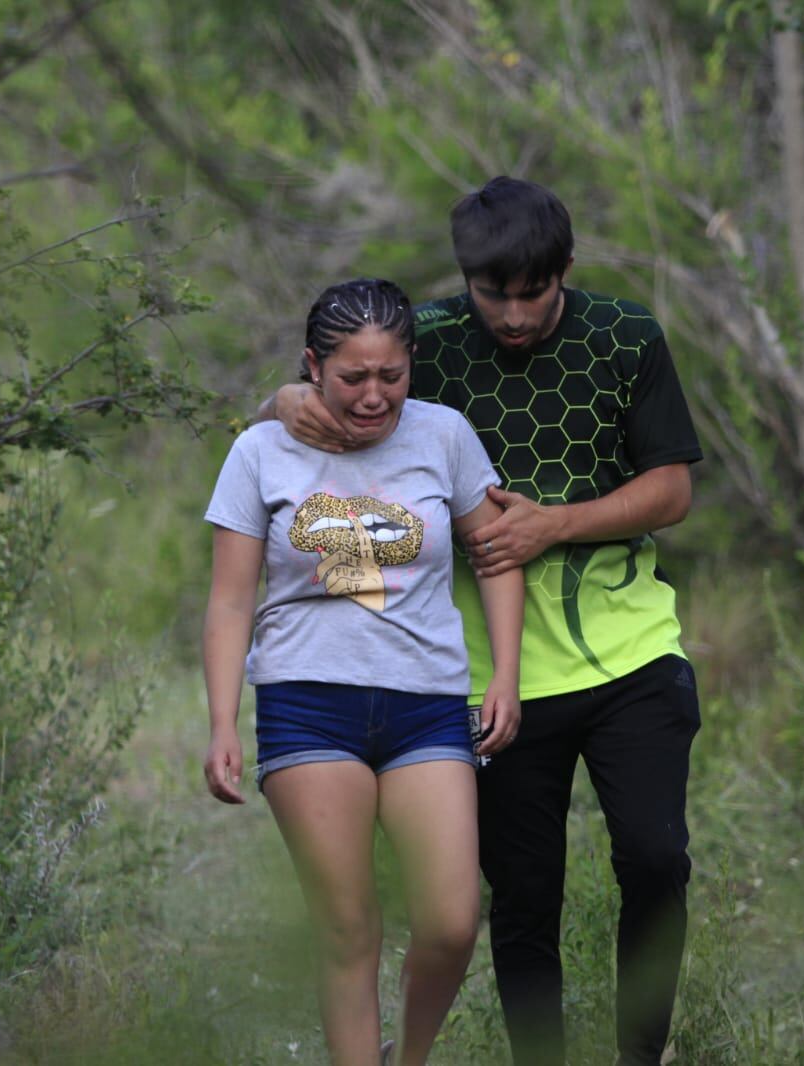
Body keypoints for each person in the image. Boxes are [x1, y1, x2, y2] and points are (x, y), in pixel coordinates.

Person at [267, 178, 703, 1066]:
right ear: (464, 277)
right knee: (525, 895)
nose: (510, 313)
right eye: (490, 293)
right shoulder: (425, 340)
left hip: (631, 654)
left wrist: (553, 523)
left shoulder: (626, 337)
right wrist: (283, 398)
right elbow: (331, 387)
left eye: (531, 293)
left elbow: (672, 489)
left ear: (564, 271)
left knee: (655, 861)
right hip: (486, 677)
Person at [204, 278, 525, 1066]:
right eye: (353, 378)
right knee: (348, 926)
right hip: (307, 706)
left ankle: (405, 1057)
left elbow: (497, 552)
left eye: (392, 375)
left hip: (427, 705)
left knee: (451, 923)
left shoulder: (443, 436)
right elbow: (228, 600)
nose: (375, 396)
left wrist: (505, 672)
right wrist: (220, 722)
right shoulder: (259, 451)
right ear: (312, 366)